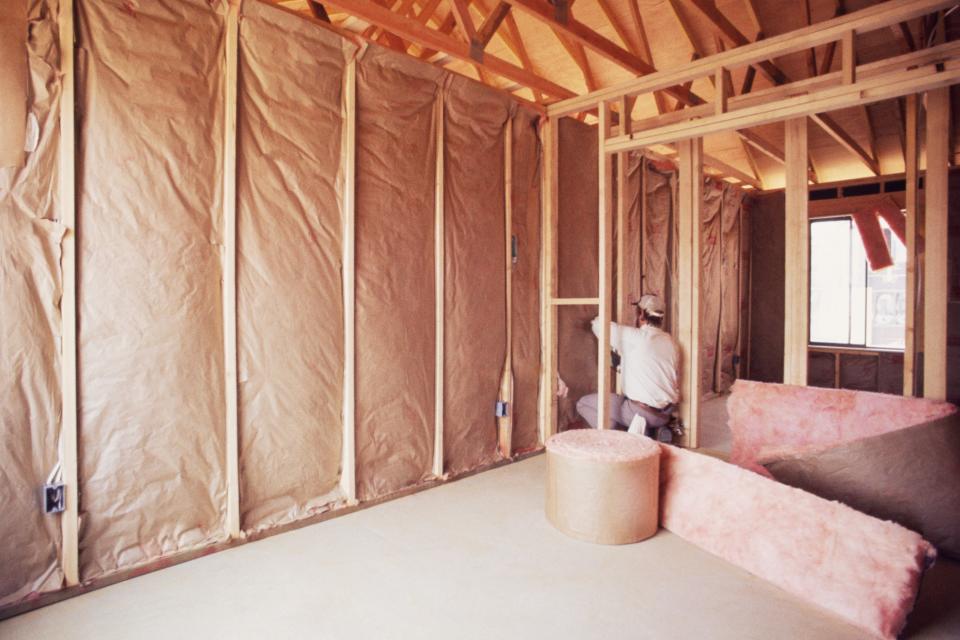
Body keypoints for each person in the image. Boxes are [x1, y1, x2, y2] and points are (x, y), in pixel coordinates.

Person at [576, 294, 680, 432]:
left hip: (640, 412)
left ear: (641, 314)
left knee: (583, 403)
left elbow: (597, 325)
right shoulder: (670, 341)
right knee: (621, 402)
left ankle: (619, 439)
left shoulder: (634, 337)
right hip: (665, 414)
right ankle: (648, 430)